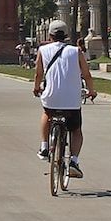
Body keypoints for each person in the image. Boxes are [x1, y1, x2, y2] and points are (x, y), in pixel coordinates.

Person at [33, 19, 95, 177]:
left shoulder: (43, 50)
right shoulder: (76, 51)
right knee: (76, 130)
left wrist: (36, 87)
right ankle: (74, 161)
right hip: (72, 100)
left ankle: (45, 146)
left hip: (51, 97)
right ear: (66, 35)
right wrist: (91, 91)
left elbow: (38, 73)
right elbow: (87, 75)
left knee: (47, 113)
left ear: (50, 35)